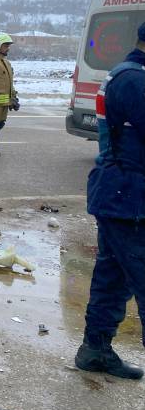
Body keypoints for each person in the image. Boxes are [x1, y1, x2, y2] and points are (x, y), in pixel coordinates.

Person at [75, 23, 145, 381]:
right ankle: (95, 348)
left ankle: (96, 350)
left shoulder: (131, 74)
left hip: (123, 195)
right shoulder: (134, 80)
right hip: (128, 197)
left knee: (113, 277)